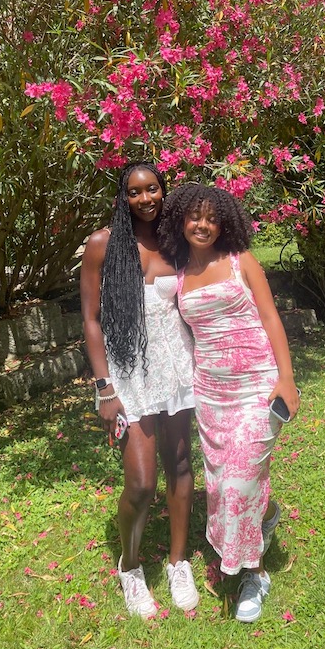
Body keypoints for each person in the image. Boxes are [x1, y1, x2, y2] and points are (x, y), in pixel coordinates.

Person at [158, 183, 301, 623]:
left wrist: (287, 378)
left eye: (212, 218)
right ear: (181, 220)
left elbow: (270, 316)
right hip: (211, 394)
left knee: (236, 483)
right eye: (194, 216)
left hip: (257, 385)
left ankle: (253, 575)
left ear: (225, 223)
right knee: (223, 484)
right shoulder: (177, 272)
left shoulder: (242, 262)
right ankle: (267, 513)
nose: (202, 225)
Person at [80, 161, 199, 619]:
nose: (145, 198)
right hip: (129, 374)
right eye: (135, 192)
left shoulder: (175, 243)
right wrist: (104, 387)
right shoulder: (102, 245)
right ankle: (130, 567)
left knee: (182, 464)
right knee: (141, 483)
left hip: (177, 369)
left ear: (163, 191)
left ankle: (177, 562)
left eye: (153, 189)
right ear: (122, 197)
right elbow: (91, 320)